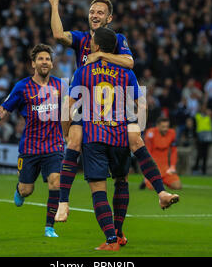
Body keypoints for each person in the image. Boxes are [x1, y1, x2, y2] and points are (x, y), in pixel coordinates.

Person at [62, 28, 179, 251]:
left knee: (98, 188)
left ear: (95, 47)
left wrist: (66, 132)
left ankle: (111, 241)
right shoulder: (127, 74)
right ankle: (155, 197)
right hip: (120, 134)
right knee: (122, 180)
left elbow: (67, 108)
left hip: (94, 135)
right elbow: (141, 103)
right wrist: (134, 124)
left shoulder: (84, 72)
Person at [0, 44, 65, 238]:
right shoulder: (22, 87)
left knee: (55, 181)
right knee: (26, 190)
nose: (44, 62)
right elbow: (4, 109)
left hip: (54, 146)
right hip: (30, 148)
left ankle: (49, 227)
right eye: (40, 59)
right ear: (33, 64)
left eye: (47, 59)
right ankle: (19, 190)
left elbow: (71, 109)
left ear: (52, 63)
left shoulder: (60, 86)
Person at [141, 117, 182, 190]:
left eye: (167, 127)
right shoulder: (150, 133)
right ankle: (146, 180)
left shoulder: (172, 133)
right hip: (154, 169)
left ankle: (159, 180)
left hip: (166, 170)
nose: (165, 129)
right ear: (157, 126)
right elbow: (147, 153)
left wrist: (172, 166)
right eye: (163, 127)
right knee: (153, 188)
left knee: (178, 186)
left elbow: (173, 151)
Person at [193, 104, 212, 175]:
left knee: (205, 154)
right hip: (200, 137)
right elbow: (194, 125)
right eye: (203, 108)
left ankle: (203, 170)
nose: (204, 109)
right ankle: (196, 168)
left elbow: (211, 124)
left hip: (207, 137)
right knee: (199, 154)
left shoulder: (209, 117)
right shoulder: (197, 116)